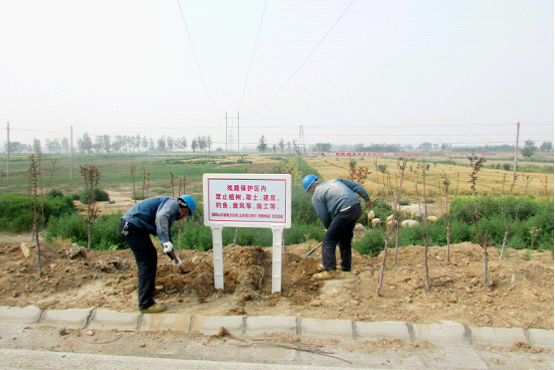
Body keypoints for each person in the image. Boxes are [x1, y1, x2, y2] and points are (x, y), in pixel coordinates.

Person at [119, 195, 197, 313]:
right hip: (131, 227)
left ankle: (149, 290)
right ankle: (145, 304)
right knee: (146, 261)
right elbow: (161, 218)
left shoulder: (170, 211)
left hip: (134, 228)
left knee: (151, 255)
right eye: (186, 216)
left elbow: (166, 234)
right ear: (185, 210)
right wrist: (165, 241)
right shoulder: (173, 204)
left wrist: (173, 258)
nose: (183, 218)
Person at [302, 175, 375, 280]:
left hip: (345, 210)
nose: (310, 192)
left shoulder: (316, 196)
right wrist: (367, 199)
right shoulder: (335, 180)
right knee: (344, 236)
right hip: (356, 207)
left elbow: (324, 216)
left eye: (309, 190)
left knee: (328, 239)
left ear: (312, 187)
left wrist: (329, 228)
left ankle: (329, 270)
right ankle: (346, 265)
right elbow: (356, 187)